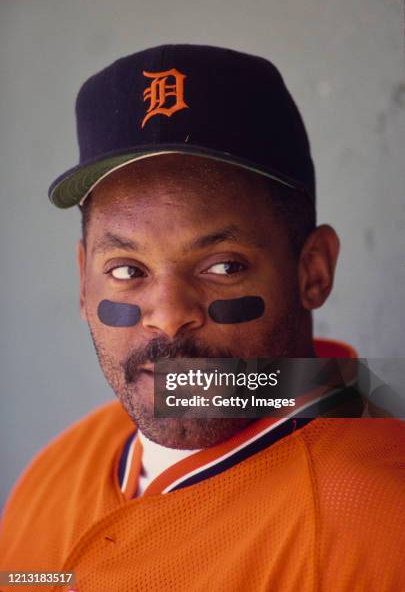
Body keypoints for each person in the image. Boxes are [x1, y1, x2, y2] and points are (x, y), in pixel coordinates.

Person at [1, 44, 404, 591]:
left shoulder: (380, 526)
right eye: (126, 270)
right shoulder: (52, 473)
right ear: (82, 281)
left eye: (223, 265)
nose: (169, 317)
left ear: (312, 271)